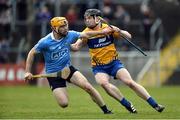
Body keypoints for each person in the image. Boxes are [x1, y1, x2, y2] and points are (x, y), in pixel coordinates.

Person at [71, 9, 165, 113]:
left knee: (130, 82)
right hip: (99, 67)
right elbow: (76, 47)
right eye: (85, 18)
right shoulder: (86, 33)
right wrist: (66, 43)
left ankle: (155, 105)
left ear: (97, 19)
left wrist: (118, 30)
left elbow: (128, 36)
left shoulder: (108, 28)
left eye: (89, 18)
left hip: (114, 63)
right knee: (103, 84)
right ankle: (127, 104)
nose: (87, 20)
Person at [24, 16, 114, 114]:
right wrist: (28, 71)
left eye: (66, 25)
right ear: (54, 28)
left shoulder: (69, 34)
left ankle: (106, 110)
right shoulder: (45, 42)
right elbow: (31, 53)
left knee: (88, 87)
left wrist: (102, 32)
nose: (65, 28)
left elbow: (86, 34)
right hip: (54, 75)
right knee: (64, 104)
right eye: (62, 27)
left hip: (68, 69)